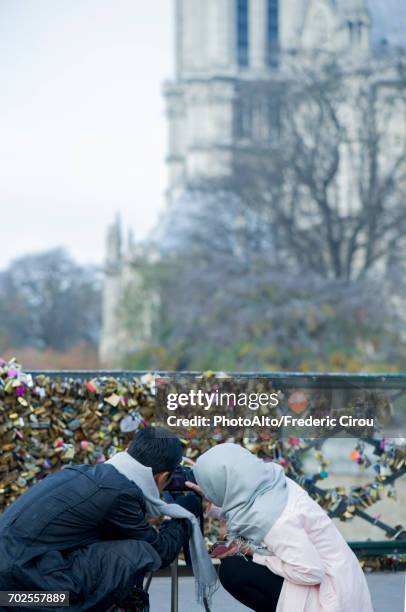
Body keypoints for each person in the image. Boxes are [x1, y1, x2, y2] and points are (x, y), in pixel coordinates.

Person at [0, 427, 217, 611]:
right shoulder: (119, 493)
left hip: (11, 585)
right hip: (27, 596)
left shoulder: (93, 474)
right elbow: (160, 551)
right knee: (138, 552)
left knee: (117, 548)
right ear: (162, 477)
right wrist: (183, 513)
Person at [187, 443, 374, 612]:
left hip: (331, 597)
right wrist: (211, 497)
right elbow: (243, 500)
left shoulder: (275, 520)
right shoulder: (269, 481)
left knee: (234, 570)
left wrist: (254, 553)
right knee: (237, 561)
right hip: (341, 577)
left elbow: (310, 572)